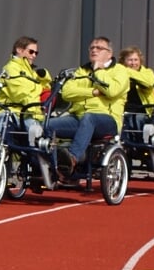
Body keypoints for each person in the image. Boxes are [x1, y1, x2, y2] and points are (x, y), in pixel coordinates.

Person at [45, 37, 130, 180]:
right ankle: (55, 168)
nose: (94, 50)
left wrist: (98, 70)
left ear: (109, 53)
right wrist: (93, 92)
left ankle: (72, 159)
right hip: (79, 118)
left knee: (89, 117)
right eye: (92, 48)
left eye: (99, 48)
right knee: (46, 125)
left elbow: (112, 90)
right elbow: (67, 92)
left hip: (107, 120)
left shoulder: (120, 70)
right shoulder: (82, 70)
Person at [0, 37, 53, 189]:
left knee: (36, 137)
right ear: (19, 50)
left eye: (36, 52)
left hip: (28, 113)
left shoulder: (31, 71)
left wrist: (43, 77)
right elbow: (20, 93)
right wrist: (36, 92)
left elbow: (45, 86)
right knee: (3, 130)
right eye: (31, 51)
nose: (34, 55)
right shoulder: (11, 68)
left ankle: (39, 172)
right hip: (12, 110)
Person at [118, 45, 154, 140]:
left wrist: (126, 71)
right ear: (123, 61)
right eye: (130, 60)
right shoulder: (119, 74)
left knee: (138, 120)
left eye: (136, 60)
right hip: (122, 111)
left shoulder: (147, 72)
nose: (133, 63)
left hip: (143, 111)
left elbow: (150, 83)